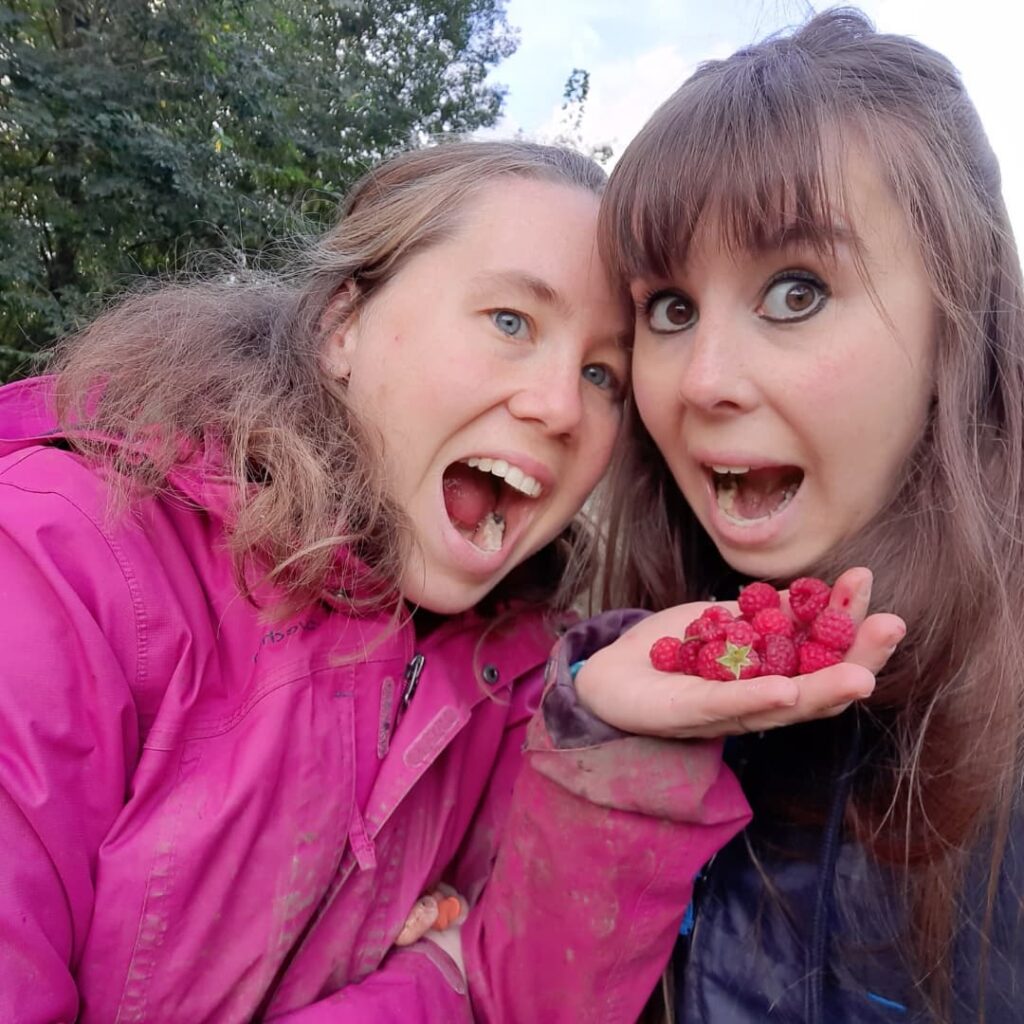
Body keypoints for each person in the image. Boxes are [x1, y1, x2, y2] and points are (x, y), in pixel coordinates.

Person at [0, 139, 894, 1023]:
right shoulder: (59, 559)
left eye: (602, 374)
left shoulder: (519, 675)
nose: (560, 407)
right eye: (511, 322)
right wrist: (436, 982)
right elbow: (473, 988)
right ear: (340, 324)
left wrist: (613, 735)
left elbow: (532, 999)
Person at [574, 8, 1024, 1022]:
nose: (701, 380)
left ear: (959, 318)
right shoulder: (621, 653)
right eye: (669, 310)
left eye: (793, 291)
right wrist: (597, 746)